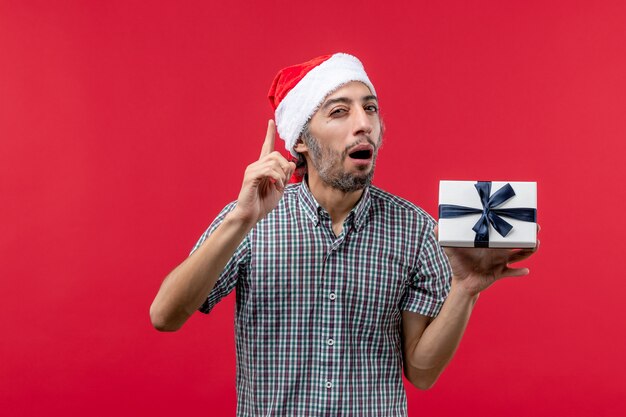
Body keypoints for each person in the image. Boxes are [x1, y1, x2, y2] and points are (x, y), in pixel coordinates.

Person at [150, 53, 539, 416]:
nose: (364, 123)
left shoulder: (418, 231)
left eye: (370, 108)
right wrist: (239, 221)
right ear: (300, 139)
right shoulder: (250, 221)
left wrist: (465, 290)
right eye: (340, 111)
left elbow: (421, 372)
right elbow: (165, 316)